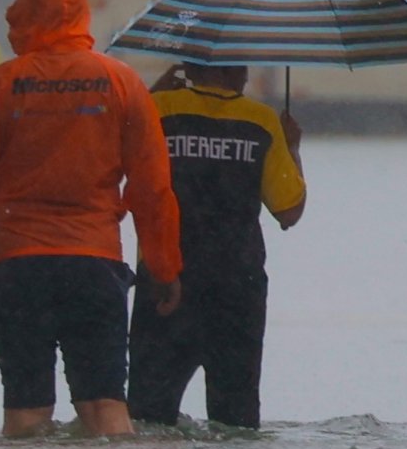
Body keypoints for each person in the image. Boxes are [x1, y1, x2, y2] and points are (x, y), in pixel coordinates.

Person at [0, 0, 184, 437]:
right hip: (94, 266)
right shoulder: (121, 84)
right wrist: (164, 269)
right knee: (106, 410)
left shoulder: (0, 86)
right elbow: (152, 188)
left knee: (26, 417)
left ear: (24, 15)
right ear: (82, 15)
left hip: (19, 270)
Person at [129, 59, 305, 428]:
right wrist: (292, 149)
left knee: (146, 414)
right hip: (237, 285)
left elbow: (122, 146)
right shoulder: (261, 121)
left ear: (190, 69)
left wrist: (157, 89)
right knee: (235, 419)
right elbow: (289, 211)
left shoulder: (159, 110)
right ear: (234, 72)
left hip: (166, 278)